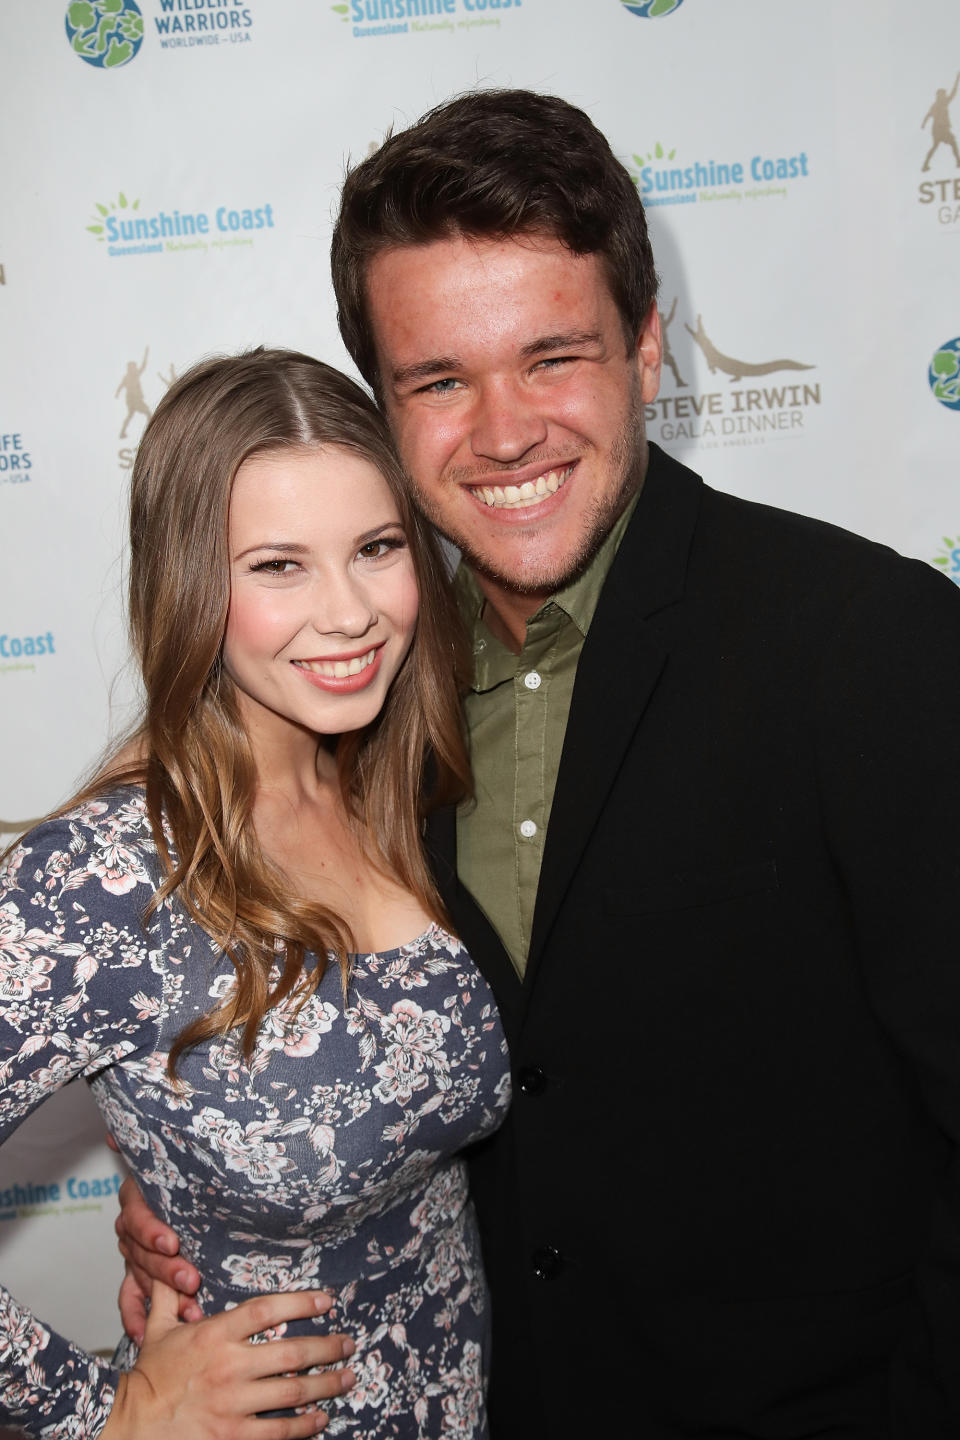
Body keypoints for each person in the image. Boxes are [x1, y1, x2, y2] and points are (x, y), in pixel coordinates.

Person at [117, 92, 960, 1437]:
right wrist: (190, 1175)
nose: (502, 432)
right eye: (439, 380)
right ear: (383, 410)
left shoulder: (872, 646)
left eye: (551, 357)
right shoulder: (353, 684)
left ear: (646, 347)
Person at [0, 349, 510, 1439]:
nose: (350, 614)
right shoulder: (101, 879)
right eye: (279, 566)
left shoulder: (391, 782)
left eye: (376, 549)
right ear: (190, 583)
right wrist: (108, 1415)